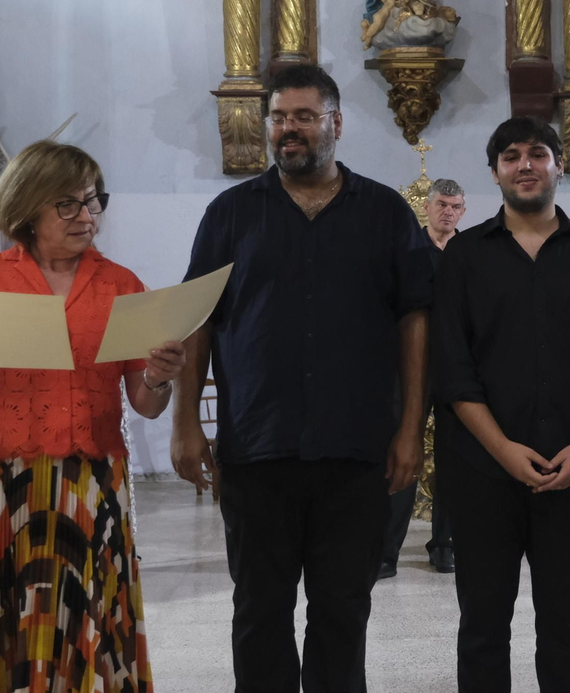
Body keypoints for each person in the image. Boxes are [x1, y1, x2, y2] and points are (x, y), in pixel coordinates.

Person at [170, 64, 432, 692]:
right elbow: (196, 320)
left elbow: (414, 324)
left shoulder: (386, 213)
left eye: (305, 117)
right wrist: (184, 426)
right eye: (280, 118)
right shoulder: (231, 212)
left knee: (343, 611)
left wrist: (409, 429)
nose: (290, 130)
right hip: (258, 446)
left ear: (335, 123)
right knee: (260, 612)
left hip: (356, 447)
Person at [0, 142, 186, 692]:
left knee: (91, 620)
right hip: (2, 483)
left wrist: (159, 375)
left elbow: (146, 403)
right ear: (27, 207)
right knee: (3, 619)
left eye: (93, 202)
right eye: (69, 205)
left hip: (92, 482)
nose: (88, 217)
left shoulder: (120, 284)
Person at [432, 117, 570, 692]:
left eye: (538, 153)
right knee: (483, 626)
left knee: (566, 623)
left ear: (559, 165)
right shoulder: (465, 256)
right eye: (512, 156)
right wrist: (502, 451)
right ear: (494, 171)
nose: (526, 165)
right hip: (482, 472)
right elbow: (453, 371)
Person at [382, 177, 466, 578]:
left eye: (455, 206)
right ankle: (385, 551)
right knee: (401, 450)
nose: (447, 212)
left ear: (462, 212)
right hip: (409, 366)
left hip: (456, 367)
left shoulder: (470, 252)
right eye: (441, 205)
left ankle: (444, 544)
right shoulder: (406, 249)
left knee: (453, 458)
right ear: (427, 208)